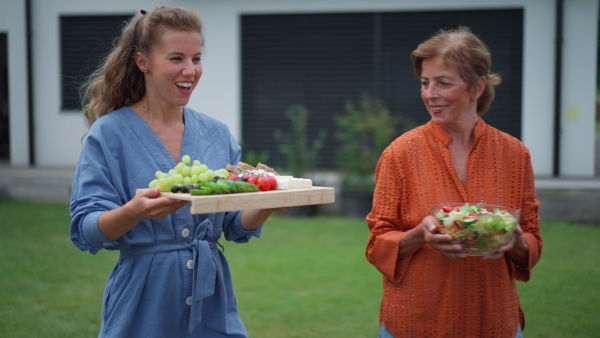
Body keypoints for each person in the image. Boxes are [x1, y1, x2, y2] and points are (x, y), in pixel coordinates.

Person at [69, 7, 288, 337]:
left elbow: (232, 223)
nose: (190, 70)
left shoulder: (217, 134)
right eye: (176, 58)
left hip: (212, 301)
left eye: (196, 58)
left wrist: (267, 201)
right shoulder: (109, 133)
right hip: (144, 304)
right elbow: (86, 229)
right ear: (143, 62)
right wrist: (133, 212)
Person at [365, 26, 542, 338]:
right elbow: (377, 246)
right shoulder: (400, 153)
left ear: (477, 87)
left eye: (443, 83)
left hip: (495, 322)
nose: (430, 93)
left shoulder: (515, 154)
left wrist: (512, 240)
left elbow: (532, 242)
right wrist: (420, 234)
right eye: (425, 82)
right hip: (415, 324)